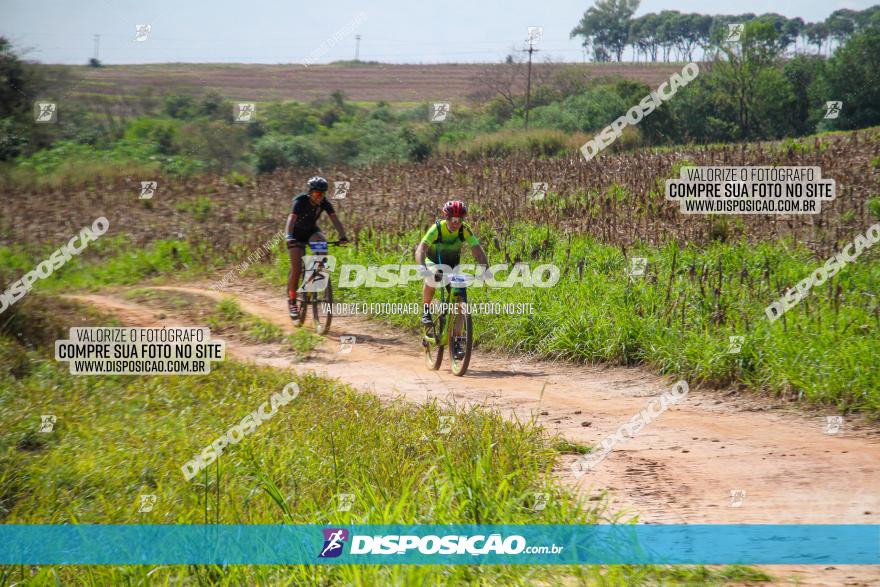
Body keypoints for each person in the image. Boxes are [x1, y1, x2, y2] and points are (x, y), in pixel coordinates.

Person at [414, 200, 489, 359]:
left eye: (459, 220)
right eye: (452, 220)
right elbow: (421, 249)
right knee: (432, 277)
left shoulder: (464, 230)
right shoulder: (437, 228)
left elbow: (477, 250)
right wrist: (422, 268)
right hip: (434, 262)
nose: (455, 224)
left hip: (453, 268)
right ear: (445, 218)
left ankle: (457, 341)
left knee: (460, 304)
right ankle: (426, 311)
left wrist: (486, 269)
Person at [286, 176, 348, 319]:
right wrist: (289, 237)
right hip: (296, 235)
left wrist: (343, 236)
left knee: (322, 247)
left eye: (323, 194)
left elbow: (335, 219)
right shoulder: (300, 201)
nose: (320, 197)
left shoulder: (324, 203)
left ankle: (313, 279)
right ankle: (292, 301)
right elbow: (291, 219)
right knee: (295, 269)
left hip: (311, 232)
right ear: (310, 192)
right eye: (317, 194)